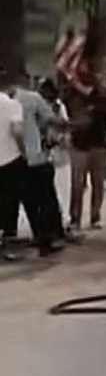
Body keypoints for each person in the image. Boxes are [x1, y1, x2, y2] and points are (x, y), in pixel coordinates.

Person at [64, 69, 106, 231]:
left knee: (98, 182)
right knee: (77, 183)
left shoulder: (105, 95)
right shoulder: (74, 95)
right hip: (79, 143)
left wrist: (105, 91)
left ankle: (95, 215)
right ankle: (75, 217)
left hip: (100, 143)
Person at [13, 72, 64, 253]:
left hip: (12, 160)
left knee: (29, 202)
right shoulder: (32, 98)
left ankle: (39, 235)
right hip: (36, 156)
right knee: (46, 199)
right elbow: (50, 120)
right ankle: (51, 236)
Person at [0, 74, 26, 259]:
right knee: (9, 202)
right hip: (9, 159)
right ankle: (9, 243)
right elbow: (17, 131)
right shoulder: (10, 104)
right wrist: (24, 151)